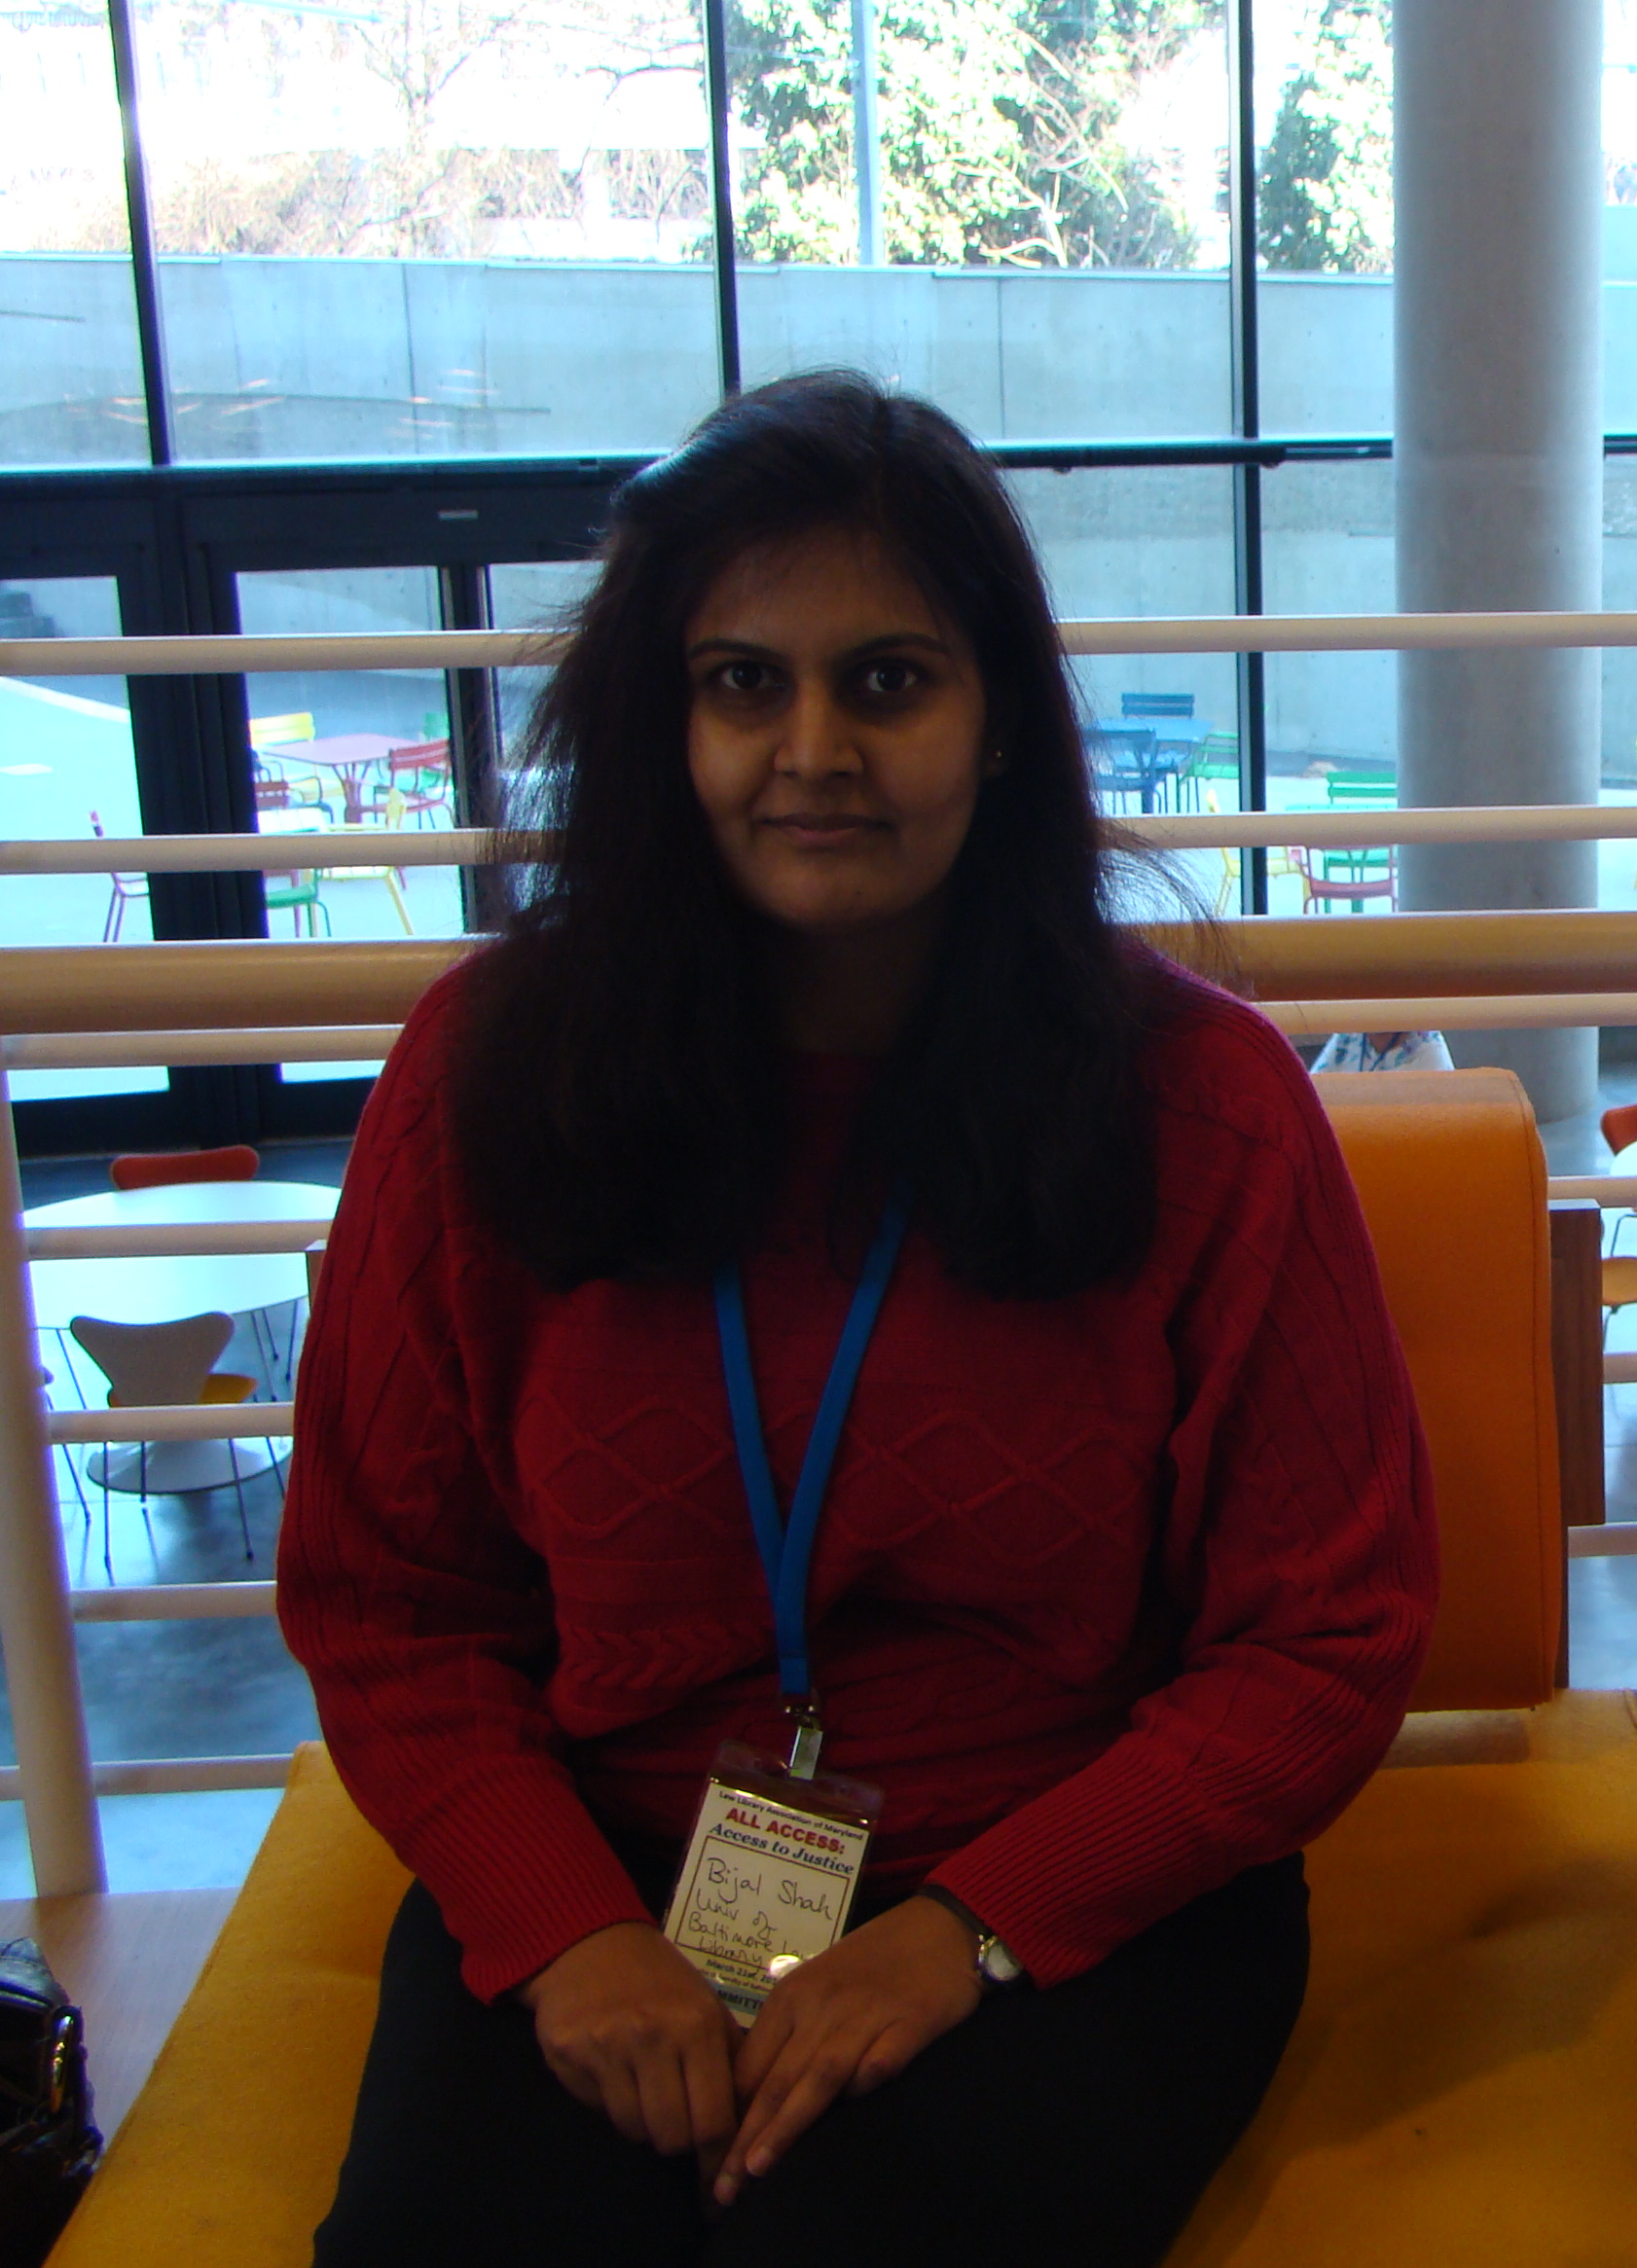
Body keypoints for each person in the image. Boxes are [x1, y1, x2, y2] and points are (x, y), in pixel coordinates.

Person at [278, 372, 1437, 2266]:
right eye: (744, 683)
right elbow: (387, 1603)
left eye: (887, 681)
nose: (812, 749)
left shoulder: (1203, 1105)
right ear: (664, 722)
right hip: (604, 1861)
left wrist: (961, 1935)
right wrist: (568, 1933)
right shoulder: (486, 1078)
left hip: (1072, 1891)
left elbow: (1326, 1641)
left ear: (1000, 722)